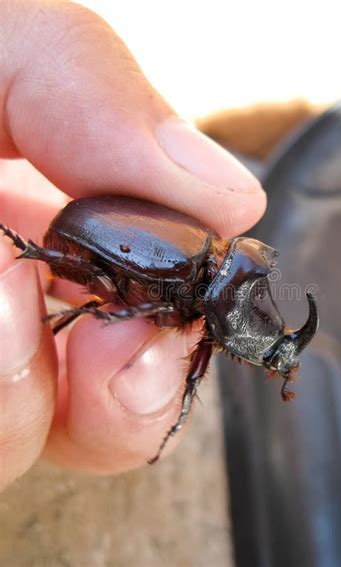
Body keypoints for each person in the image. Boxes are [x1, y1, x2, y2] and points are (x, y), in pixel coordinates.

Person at [0, 1, 266, 491]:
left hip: (92, 235)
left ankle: (35, 256)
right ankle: (24, 248)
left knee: (117, 317)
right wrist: (114, 312)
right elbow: (117, 290)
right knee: (106, 291)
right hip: (83, 237)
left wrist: (111, 313)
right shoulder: (190, 268)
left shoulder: (203, 295)